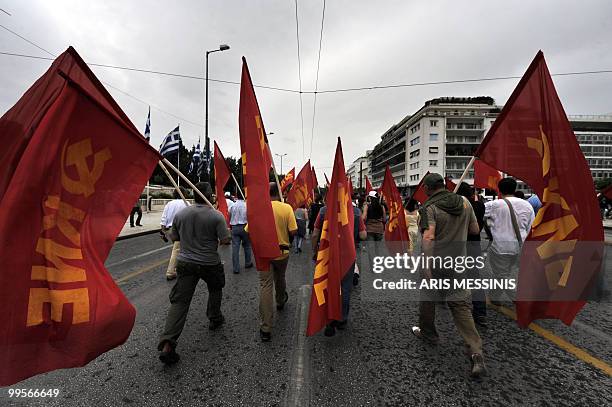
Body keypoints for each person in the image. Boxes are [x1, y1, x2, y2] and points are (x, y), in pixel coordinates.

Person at [411, 173, 486, 379]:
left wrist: (425, 267)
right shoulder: (464, 202)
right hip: (458, 263)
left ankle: (428, 334)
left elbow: (428, 237)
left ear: (427, 188)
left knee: (428, 299)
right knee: (461, 306)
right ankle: (476, 351)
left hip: (436, 263)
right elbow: (474, 229)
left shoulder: (429, 207)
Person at [157, 182, 231, 365]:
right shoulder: (216, 215)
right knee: (215, 288)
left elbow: (174, 237)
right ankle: (214, 317)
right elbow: (225, 240)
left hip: (185, 262)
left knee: (180, 302)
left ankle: (168, 343)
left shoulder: (181, 214)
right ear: (209, 196)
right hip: (209, 262)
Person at [311, 196, 367, 336]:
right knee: (345, 288)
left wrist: (314, 251)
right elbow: (363, 235)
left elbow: (315, 233)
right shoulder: (355, 211)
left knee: (327, 286)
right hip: (348, 255)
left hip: (328, 255)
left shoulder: (324, 210)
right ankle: (342, 319)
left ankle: (328, 319)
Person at [253, 183, 297, 342]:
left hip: (264, 254)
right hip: (282, 252)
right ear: (279, 192)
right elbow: (293, 231)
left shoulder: (259, 209)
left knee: (265, 285)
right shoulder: (286, 208)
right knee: (281, 277)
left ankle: (266, 328)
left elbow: (249, 230)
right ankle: (280, 300)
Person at [484, 177, 535, 303]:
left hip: (500, 247)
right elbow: (531, 227)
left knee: (501, 275)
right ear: (515, 189)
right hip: (520, 246)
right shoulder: (527, 205)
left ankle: (517, 299)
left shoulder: (493, 205)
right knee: (503, 274)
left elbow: (478, 215)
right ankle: (494, 296)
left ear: (499, 191)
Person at [456, 182, 487, 327]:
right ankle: (480, 312)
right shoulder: (480, 205)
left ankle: (450, 302)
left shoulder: (455, 207)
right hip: (474, 245)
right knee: (474, 277)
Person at [160, 188, 189, 280]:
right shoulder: (186, 203)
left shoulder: (169, 204)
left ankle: (179, 268)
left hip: (170, 229)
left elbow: (164, 218)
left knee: (179, 249)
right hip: (182, 229)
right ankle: (170, 272)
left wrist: (163, 230)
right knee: (177, 249)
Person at [228, 194, 253, 274]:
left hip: (235, 227)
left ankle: (236, 268)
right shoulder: (247, 205)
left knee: (235, 248)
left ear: (237, 196)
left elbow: (229, 214)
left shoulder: (232, 205)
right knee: (247, 246)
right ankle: (248, 263)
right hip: (245, 227)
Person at [362, 191, 386, 270]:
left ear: (370, 198)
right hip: (379, 229)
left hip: (370, 229)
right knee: (378, 248)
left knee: (371, 249)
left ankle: (373, 267)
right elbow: (385, 219)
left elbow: (364, 217)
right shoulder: (381, 206)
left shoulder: (367, 206)